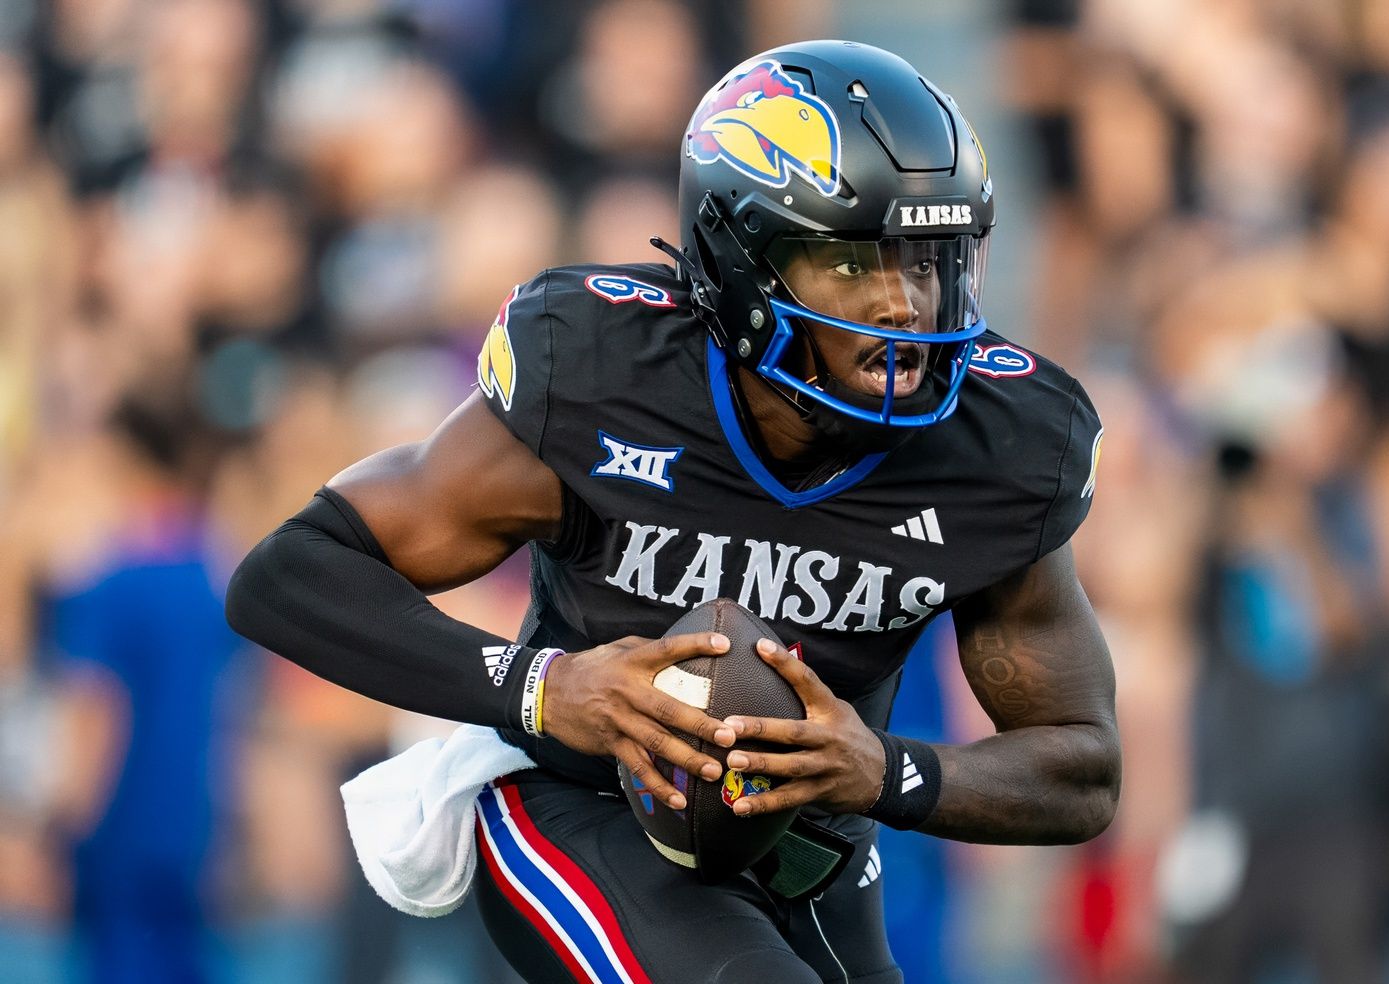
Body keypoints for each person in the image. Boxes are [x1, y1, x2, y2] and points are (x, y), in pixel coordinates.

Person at [227, 40, 1120, 983]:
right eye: (853, 264)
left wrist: (884, 770)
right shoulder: (604, 372)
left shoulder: (998, 441)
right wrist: (543, 687)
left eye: (928, 260)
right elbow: (289, 573)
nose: (905, 305)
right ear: (744, 259)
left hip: (813, 850)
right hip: (580, 809)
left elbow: (1082, 767)